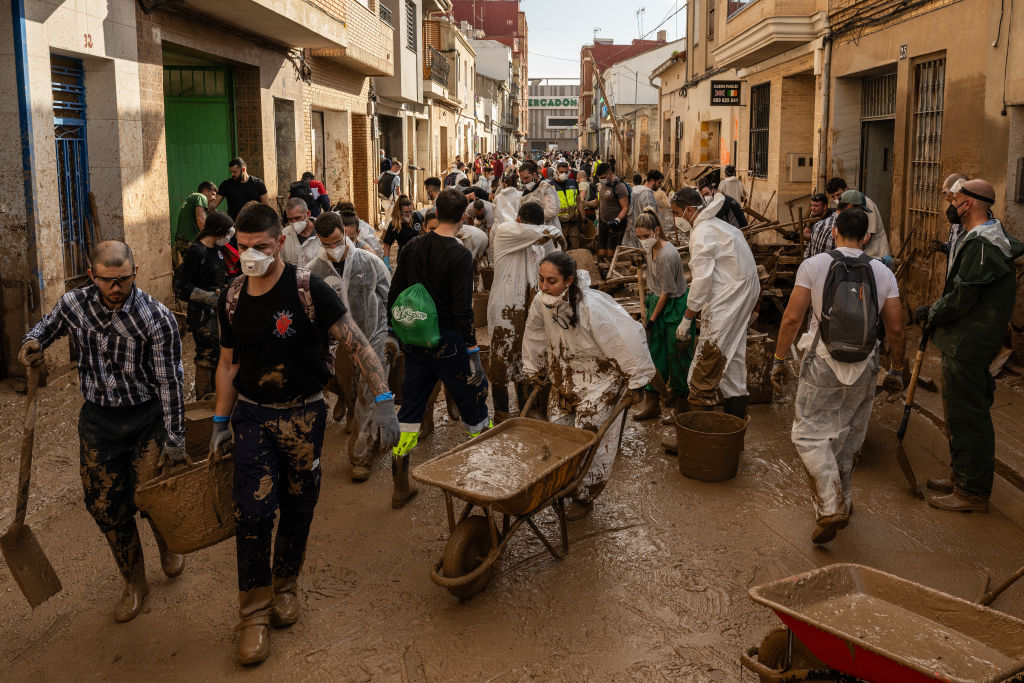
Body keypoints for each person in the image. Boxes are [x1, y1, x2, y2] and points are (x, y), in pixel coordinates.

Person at [210, 203, 399, 665]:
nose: (251, 253)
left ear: (281, 243)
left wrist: (383, 401)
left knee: (299, 505)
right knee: (252, 512)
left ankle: (286, 586)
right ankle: (253, 613)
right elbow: (228, 363)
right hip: (253, 415)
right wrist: (219, 421)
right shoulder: (232, 296)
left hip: (303, 416)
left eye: (261, 246)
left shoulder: (309, 289)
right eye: (243, 246)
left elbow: (356, 342)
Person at [20, 240, 186, 623]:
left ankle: (168, 542)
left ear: (135, 273)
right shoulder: (75, 304)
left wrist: (175, 438)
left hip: (147, 419)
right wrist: (33, 342)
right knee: (105, 505)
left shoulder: (156, 318)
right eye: (108, 280)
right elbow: (48, 326)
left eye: (123, 280)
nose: (116, 288)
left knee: (153, 495)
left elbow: (171, 384)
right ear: (92, 276)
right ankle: (134, 581)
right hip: (99, 421)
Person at [771, 208, 904, 544]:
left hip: (822, 361)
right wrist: (898, 370)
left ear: (834, 233)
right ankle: (842, 500)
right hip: (865, 364)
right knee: (848, 439)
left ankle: (830, 504)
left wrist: (779, 359)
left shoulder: (814, 265)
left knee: (809, 435)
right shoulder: (882, 271)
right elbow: (897, 329)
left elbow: (791, 319)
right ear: (868, 238)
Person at [522, 252, 655, 520]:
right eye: (541, 280)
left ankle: (585, 496)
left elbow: (624, 340)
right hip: (565, 377)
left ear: (569, 280)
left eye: (551, 281)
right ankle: (563, 483)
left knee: (592, 439)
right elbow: (534, 332)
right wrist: (532, 366)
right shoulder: (541, 301)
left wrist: (637, 380)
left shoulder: (592, 307)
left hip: (600, 381)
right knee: (560, 433)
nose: (544, 287)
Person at [918, 179, 1024, 513]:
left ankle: (973, 491)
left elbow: (963, 297)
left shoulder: (984, 244)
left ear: (970, 204)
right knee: (958, 411)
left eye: (954, 199)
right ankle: (962, 475)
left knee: (969, 414)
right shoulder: (983, 236)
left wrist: (932, 312)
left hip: (970, 341)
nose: (950, 205)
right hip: (965, 339)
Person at [387, 189, 490, 503]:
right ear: (463, 218)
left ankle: (401, 485)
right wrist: (472, 352)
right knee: (474, 399)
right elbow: (462, 309)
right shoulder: (459, 254)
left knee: (410, 409)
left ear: (435, 211)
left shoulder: (413, 246)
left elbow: (394, 295)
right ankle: (484, 475)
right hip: (448, 342)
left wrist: (401, 334)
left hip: (416, 342)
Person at [305, 212, 392, 483]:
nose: (333, 248)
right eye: (326, 243)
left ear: (346, 233)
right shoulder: (313, 272)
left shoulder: (370, 262)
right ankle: (368, 431)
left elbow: (389, 299)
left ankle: (359, 457)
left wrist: (391, 336)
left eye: (337, 241)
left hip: (372, 337)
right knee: (348, 390)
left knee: (369, 394)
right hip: (338, 344)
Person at [672, 188, 759, 417]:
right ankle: (733, 433)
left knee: (707, 360)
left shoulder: (702, 232)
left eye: (676, 213)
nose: (675, 219)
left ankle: (698, 435)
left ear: (689, 210)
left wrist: (687, 318)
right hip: (740, 294)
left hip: (728, 298)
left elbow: (702, 281)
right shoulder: (722, 226)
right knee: (733, 362)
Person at [487, 202, 550, 423]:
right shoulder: (506, 231)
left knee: (527, 356)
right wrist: (550, 232)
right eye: (528, 226)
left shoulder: (537, 246)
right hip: (505, 307)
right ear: (519, 221)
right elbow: (543, 232)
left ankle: (526, 409)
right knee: (501, 358)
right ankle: (501, 411)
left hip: (529, 306)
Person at [632, 209, 692, 421]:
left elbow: (667, 292)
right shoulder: (651, 250)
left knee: (676, 355)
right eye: (639, 237)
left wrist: (652, 320)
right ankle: (653, 404)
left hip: (673, 305)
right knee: (655, 353)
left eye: (646, 236)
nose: (643, 241)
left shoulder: (667, 254)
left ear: (656, 231)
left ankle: (681, 408)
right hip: (655, 302)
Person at [173, 212, 234, 399]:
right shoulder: (196, 251)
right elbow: (183, 286)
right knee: (206, 354)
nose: (228, 237)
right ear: (217, 231)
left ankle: (218, 395)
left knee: (220, 351)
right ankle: (203, 399)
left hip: (217, 309)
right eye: (226, 233)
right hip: (201, 313)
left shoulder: (217, 249)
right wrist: (209, 297)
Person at [825, 177, 890, 260]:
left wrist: (851, 249)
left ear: (846, 189)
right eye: (833, 197)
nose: (836, 199)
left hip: (875, 253)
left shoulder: (864, 204)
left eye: (838, 195)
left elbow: (868, 235)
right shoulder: (838, 213)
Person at [929, 173, 970, 277]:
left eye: (945, 192)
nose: (945, 197)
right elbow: (954, 246)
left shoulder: (971, 220)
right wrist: (942, 247)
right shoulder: (955, 217)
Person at [172, 181, 218, 264]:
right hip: (189, 242)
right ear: (205, 192)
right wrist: (209, 238)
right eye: (213, 194)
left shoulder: (192, 198)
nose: (214, 198)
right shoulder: (201, 197)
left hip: (180, 241)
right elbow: (200, 218)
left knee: (182, 272)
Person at [595, 162, 630, 260]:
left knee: (611, 254)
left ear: (610, 174)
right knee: (601, 252)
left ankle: (610, 272)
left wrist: (617, 220)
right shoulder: (604, 184)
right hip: (603, 222)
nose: (601, 179)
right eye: (599, 177)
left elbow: (625, 208)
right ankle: (602, 272)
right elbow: (600, 201)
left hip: (615, 225)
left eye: (602, 177)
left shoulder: (619, 187)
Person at [519, 160, 561, 236]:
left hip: (548, 230)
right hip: (532, 231)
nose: (524, 181)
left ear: (534, 175)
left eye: (527, 178)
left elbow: (552, 211)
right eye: (522, 179)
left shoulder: (545, 187)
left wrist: (531, 220)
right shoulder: (525, 191)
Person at [623, 170, 662, 248]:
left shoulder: (635, 190)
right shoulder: (647, 194)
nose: (660, 185)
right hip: (644, 233)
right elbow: (650, 217)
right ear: (652, 181)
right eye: (659, 183)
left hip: (634, 231)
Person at [549, 160, 582, 249]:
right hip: (559, 224)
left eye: (565, 172)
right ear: (556, 172)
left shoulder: (573, 183)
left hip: (573, 222)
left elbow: (579, 201)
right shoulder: (550, 186)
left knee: (575, 246)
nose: (564, 174)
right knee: (561, 248)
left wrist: (583, 217)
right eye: (561, 172)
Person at [382, 195, 424, 262]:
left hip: (419, 256)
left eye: (410, 211)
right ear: (399, 212)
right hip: (404, 257)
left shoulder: (416, 217)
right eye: (405, 213)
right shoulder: (394, 225)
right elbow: (387, 246)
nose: (409, 215)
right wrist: (386, 260)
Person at [281, 197, 320, 267]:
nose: (294, 222)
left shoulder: (323, 230)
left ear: (308, 214)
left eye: (297, 218)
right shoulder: (285, 234)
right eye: (290, 219)